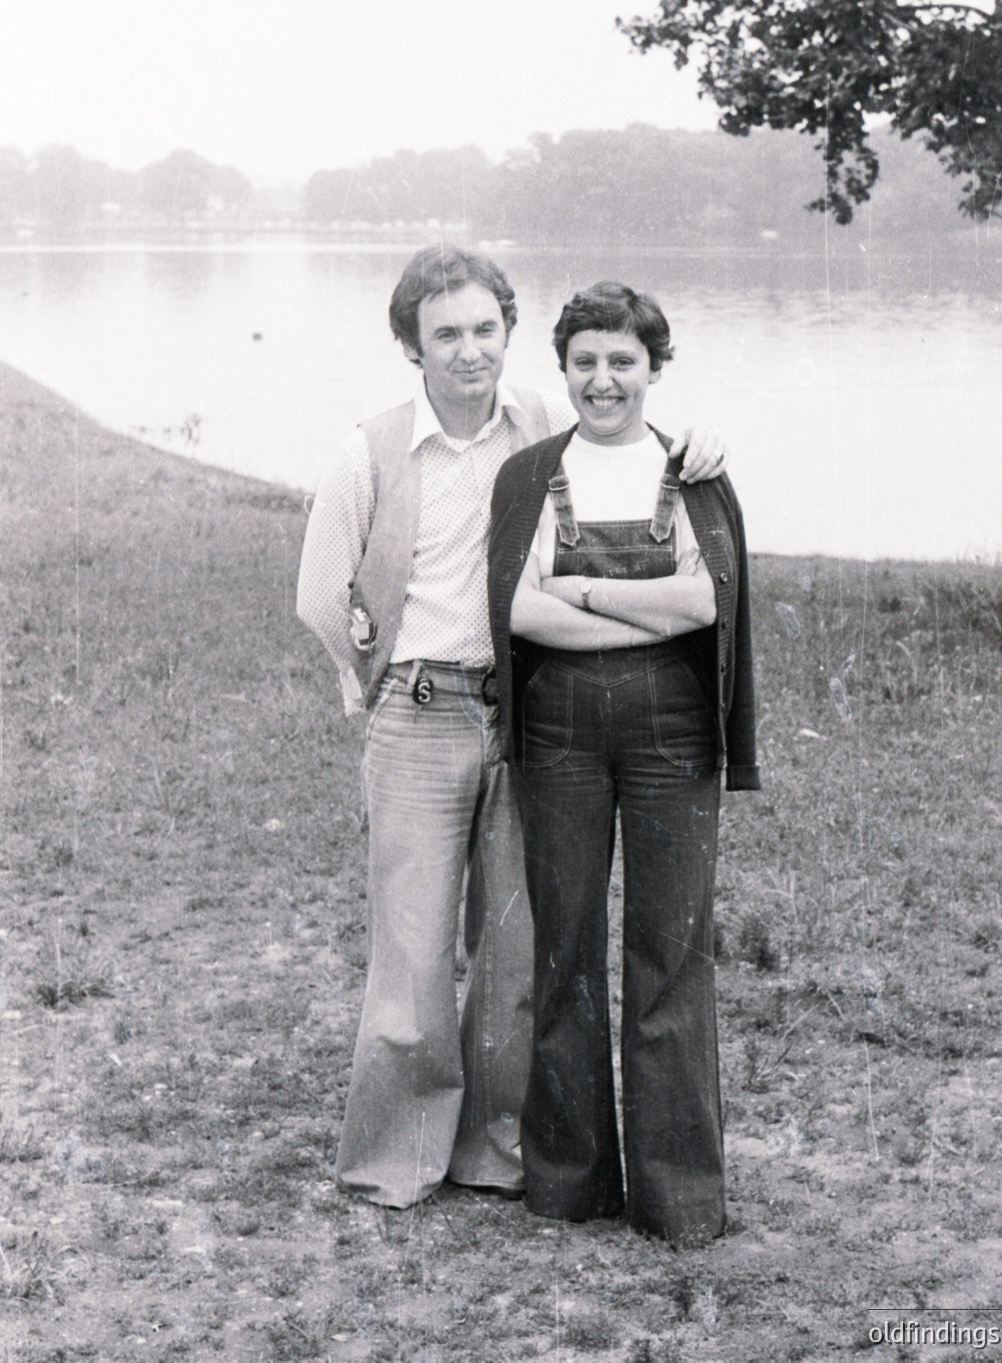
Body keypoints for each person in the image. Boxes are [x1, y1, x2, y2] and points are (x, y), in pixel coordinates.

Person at [296, 246, 729, 1210]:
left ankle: (496, 1148)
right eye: (445, 333)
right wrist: (368, 674)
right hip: (418, 714)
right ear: (412, 345)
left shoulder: (536, 422)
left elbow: (625, 425)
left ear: (507, 331)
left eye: (484, 329)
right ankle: (396, 1156)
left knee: (515, 949)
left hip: (522, 716)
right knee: (413, 951)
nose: (468, 351)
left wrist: (699, 441)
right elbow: (321, 593)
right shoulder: (370, 450)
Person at [488, 281, 759, 1243]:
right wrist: (642, 610)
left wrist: (583, 592)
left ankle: (677, 1196)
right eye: (584, 361)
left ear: (653, 367)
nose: (602, 380)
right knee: (563, 946)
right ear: (562, 369)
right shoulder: (528, 475)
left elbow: (704, 604)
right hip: (558, 733)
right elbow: (516, 611)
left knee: (670, 953)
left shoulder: (691, 473)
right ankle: (568, 1181)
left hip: (672, 735)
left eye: (622, 360)